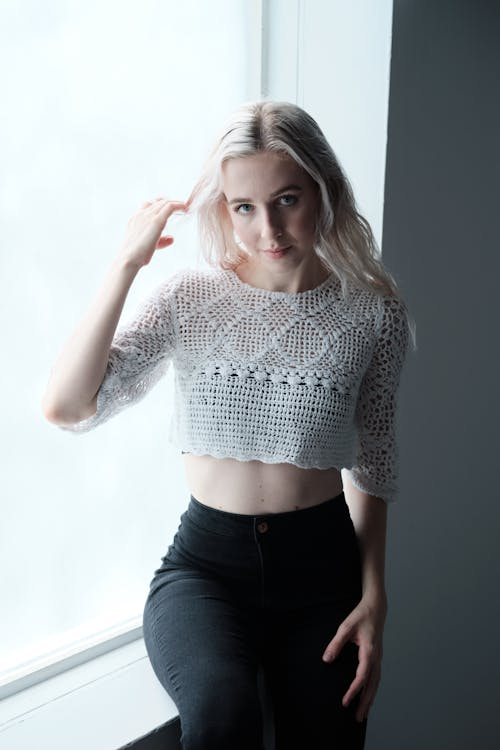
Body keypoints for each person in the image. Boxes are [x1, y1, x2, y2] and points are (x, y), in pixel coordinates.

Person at [42, 100, 416, 750]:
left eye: (287, 199)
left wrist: (375, 596)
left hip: (324, 575)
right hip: (207, 571)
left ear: (323, 189)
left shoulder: (372, 315)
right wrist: (125, 265)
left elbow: (375, 464)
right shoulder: (190, 298)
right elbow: (69, 407)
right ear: (223, 208)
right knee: (220, 718)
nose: (266, 226)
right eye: (244, 206)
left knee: (330, 737)